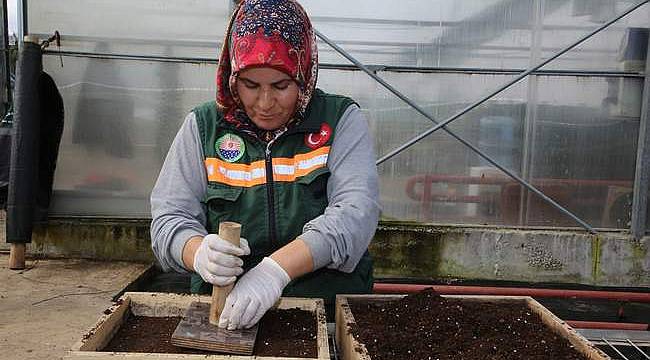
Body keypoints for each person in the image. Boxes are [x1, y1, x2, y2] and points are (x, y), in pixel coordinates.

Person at [150, 0, 380, 330]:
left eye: (281, 86)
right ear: (232, 77)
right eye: (251, 85)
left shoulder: (338, 120)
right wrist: (197, 251)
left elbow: (355, 214)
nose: (265, 103)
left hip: (325, 310)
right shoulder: (203, 127)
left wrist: (274, 271)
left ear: (303, 76)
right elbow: (169, 217)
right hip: (224, 314)